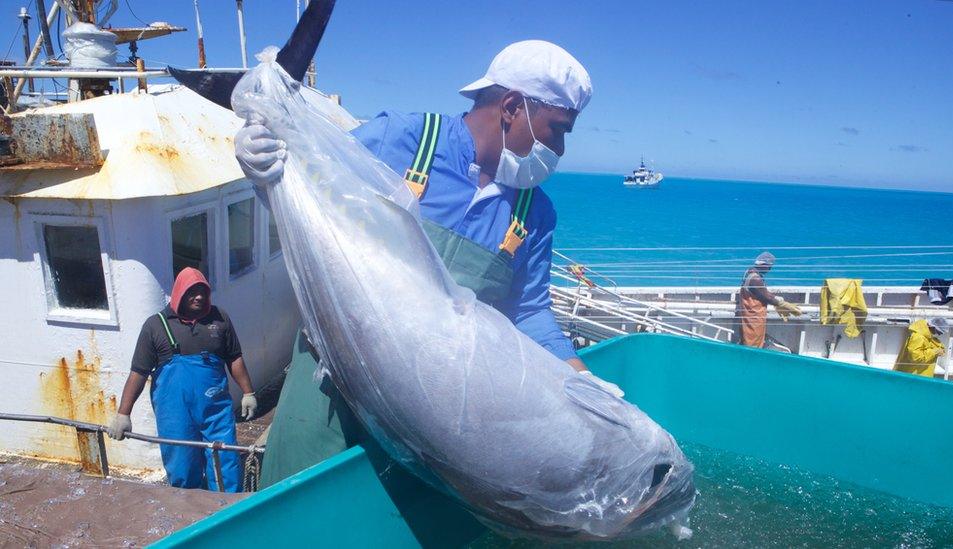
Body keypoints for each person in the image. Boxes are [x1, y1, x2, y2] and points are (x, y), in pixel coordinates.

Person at [235, 40, 622, 397]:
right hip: (330, 384)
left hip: (433, 405)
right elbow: (305, 196)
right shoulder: (400, 140)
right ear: (511, 107)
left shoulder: (536, 214)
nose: (560, 148)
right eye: (557, 129)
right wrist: (263, 171)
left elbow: (528, 310)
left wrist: (579, 378)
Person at [107, 267, 258, 492]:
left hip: (216, 411)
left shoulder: (220, 319)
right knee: (182, 467)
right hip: (175, 415)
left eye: (203, 291)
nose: (198, 296)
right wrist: (123, 413)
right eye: (191, 291)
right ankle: (189, 514)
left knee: (226, 461)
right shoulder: (155, 326)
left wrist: (248, 392)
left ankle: (227, 511)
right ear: (179, 293)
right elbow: (138, 372)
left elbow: (234, 358)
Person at [734, 252, 802, 348]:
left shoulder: (749, 272)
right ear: (763, 265)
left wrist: (776, 300)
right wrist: (783, 304)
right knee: (753, 344)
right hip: (754, 317)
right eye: (769, 267)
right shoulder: (756, 279)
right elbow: (766, 297)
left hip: (749, 315)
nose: (770, 269)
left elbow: (761, 293)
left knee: (747, 340)